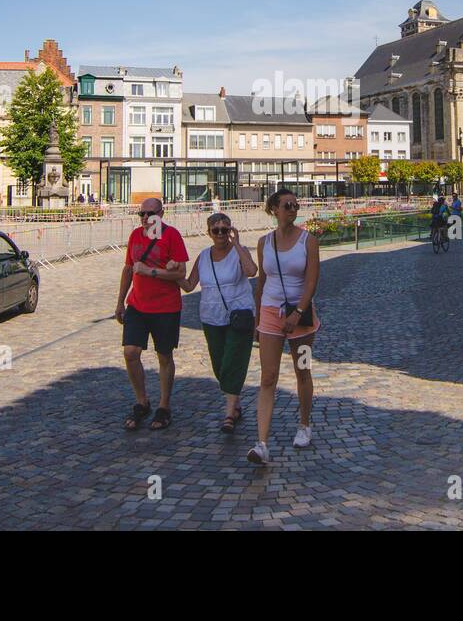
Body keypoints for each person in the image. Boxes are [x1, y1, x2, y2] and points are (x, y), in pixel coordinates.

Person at [248, 188, 321, 465]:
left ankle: (304, 424)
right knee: (268, 377)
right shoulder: (264, 242)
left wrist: (299, 311)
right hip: (269, 312)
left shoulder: (308, 241)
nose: (292, 209)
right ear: (274, 210)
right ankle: (262, 443)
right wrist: (257, 320)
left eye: (295, 205)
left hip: (300, 318)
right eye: (286, 205)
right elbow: (262, 283)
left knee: (302, 370)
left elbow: (312, 281)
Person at [116, 197, 190, 431]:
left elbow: (181, 274)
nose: (145, 219)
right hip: (137, 304)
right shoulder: (135, 236)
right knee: (130, 352)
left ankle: (164, 406)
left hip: (166, 306)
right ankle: (142, 401)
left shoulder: (172, 236)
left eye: (150, 214)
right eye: (142, 215)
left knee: (164, 356)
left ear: (161, 213)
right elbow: (128, 268)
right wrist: (120, 302)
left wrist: (151, 271)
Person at [180, 213, 258, 433]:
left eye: (225, 229)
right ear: (209, 233)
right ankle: (236, 403)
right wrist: (171, 273)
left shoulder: (238, 253)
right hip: (211, 317)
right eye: (217, 230)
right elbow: (188, 285)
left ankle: (229, 412)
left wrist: (239, 245)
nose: (221, 234)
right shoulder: (204, 256)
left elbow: (252, 271)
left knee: (233, 359)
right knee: (219, 365)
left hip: (239, 315)